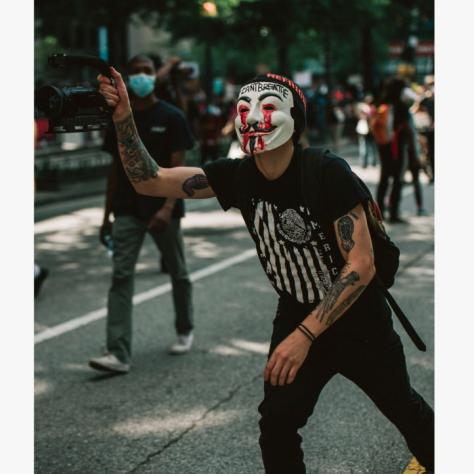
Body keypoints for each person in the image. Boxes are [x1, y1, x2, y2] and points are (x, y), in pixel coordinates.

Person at [98, 68, 434, 472]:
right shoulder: (237, 176)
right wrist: (123, 117)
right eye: (244, 107)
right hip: (295, 311)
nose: (253, 115)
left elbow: (361, 265)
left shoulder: (327, 172)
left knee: (405, 410)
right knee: (277, 425)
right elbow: (149, 180)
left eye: (268, 106)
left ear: (294, 120)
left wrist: (304, 336)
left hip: (357, 318)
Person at [89, 55, 195, 375]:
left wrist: (166, 209)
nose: (140, 76)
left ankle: (185, 327)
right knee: (121, 276)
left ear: (155, 76)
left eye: (146, 71)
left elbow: (179, 171)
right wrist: (106, 215)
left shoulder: (172, 117)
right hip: (126, 208)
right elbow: (114, 171)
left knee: (177, 271)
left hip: (163, 209)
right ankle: (118, 352)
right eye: (134, 71)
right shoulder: (119, 117)